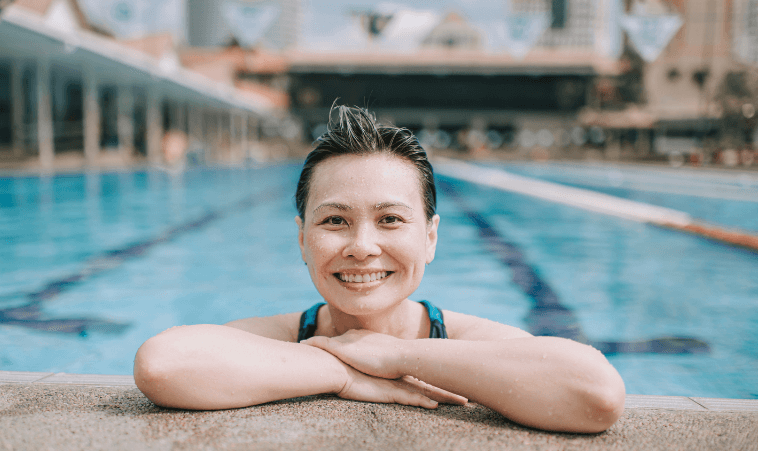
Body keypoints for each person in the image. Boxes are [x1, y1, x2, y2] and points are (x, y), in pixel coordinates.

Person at [134, 106, 625, 433]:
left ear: (430, 237)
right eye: (334, 221)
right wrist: (341, 369)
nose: (362, 247)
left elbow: (596, 394)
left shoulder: (465, 335)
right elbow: (163, 365)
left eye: (390, 219)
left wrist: (398, 357)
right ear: (302, 240)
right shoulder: (288, 335)